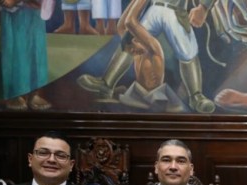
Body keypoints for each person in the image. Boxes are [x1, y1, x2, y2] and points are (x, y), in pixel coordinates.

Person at [78, 0, 217, 113]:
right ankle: (107, 84)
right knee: (131, 40)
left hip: (175, 11)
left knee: (188, 52)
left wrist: (203, 7)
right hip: (154, 8)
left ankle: (196, 96)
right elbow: (127, 22)